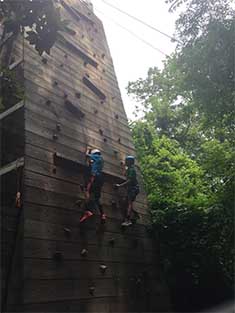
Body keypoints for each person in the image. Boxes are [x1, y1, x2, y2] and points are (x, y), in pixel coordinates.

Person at [80, 148, 106, 223]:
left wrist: (88, 150)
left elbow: (87, 155)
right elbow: (92, 163)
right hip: (100, 179)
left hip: (94, 177)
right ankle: (102, 214)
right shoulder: (101, 160)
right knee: (97, 198)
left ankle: (88, 211)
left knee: (87, 191)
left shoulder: (95, 156)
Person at [115, 155, 140, 226]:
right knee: (126, 203)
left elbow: (129, 180)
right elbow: (126, 174)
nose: (125, 162)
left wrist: (120, 186)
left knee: (129, 203)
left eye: (126, 161)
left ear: (129, 162)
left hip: (133, 188)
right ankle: (135, 214)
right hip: (131, 189)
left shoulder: (132, 170)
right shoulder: (129, 169)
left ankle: (128, 220)